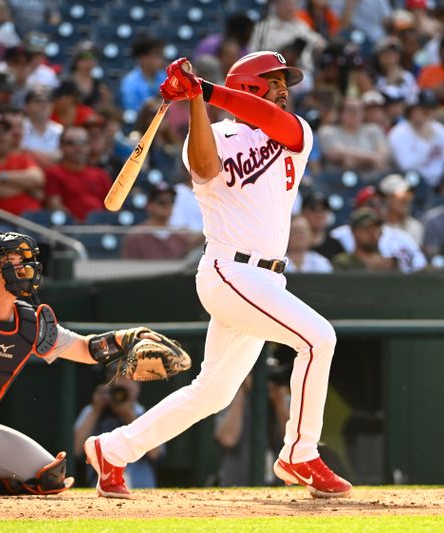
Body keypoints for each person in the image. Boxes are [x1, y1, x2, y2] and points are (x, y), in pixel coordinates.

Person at [84, 52, 352, 499]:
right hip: (230, 270)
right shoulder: (210, 134)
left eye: (285, 81)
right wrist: (195, 103)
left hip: (266, 279)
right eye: (274, 80)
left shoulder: (295, 130)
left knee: (212, 393)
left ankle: (112, 449)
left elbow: (269, 119)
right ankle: (299, 453)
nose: (284, 87)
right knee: (318, 338)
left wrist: (201, 89)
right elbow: (207, 169)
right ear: (248, 85)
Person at [0, 231, 176, 497]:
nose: (21, 267)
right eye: (9, 262)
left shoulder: (29, 323)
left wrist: (128, 339)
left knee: (50, 477)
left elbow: (85, 349)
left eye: (21, 260)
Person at [73, 379, 162, 489]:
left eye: (129, 380)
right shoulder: (92, 411)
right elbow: (75, 450)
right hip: (103, 488)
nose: (123, 382)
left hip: (141, 487)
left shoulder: (146, 413)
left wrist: (129, 416)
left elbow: (155, 453)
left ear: (138, 387)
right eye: (118, 378)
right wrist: (96, 410)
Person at [44, 126, 112, 222]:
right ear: (61, 146)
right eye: (71, 143)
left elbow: (113, 208)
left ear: (89, 146)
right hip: (69, 230)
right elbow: (55, 205)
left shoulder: (101, 175)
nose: (78, 147)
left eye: (83, 142)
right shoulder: (53, 173)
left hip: (102, 228)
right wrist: (78, 225)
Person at [332, 207, 427, 273]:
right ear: (354, 232)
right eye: (366, 229)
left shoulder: (389, 263)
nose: (372, 233)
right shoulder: (342, 262)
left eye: (376, 228)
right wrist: (372, 272)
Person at [121, 182, 193, 260]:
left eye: (171, 201)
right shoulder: (135, 238)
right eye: (161, 202)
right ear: (149, 205)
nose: (167, 205)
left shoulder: (180, 237)